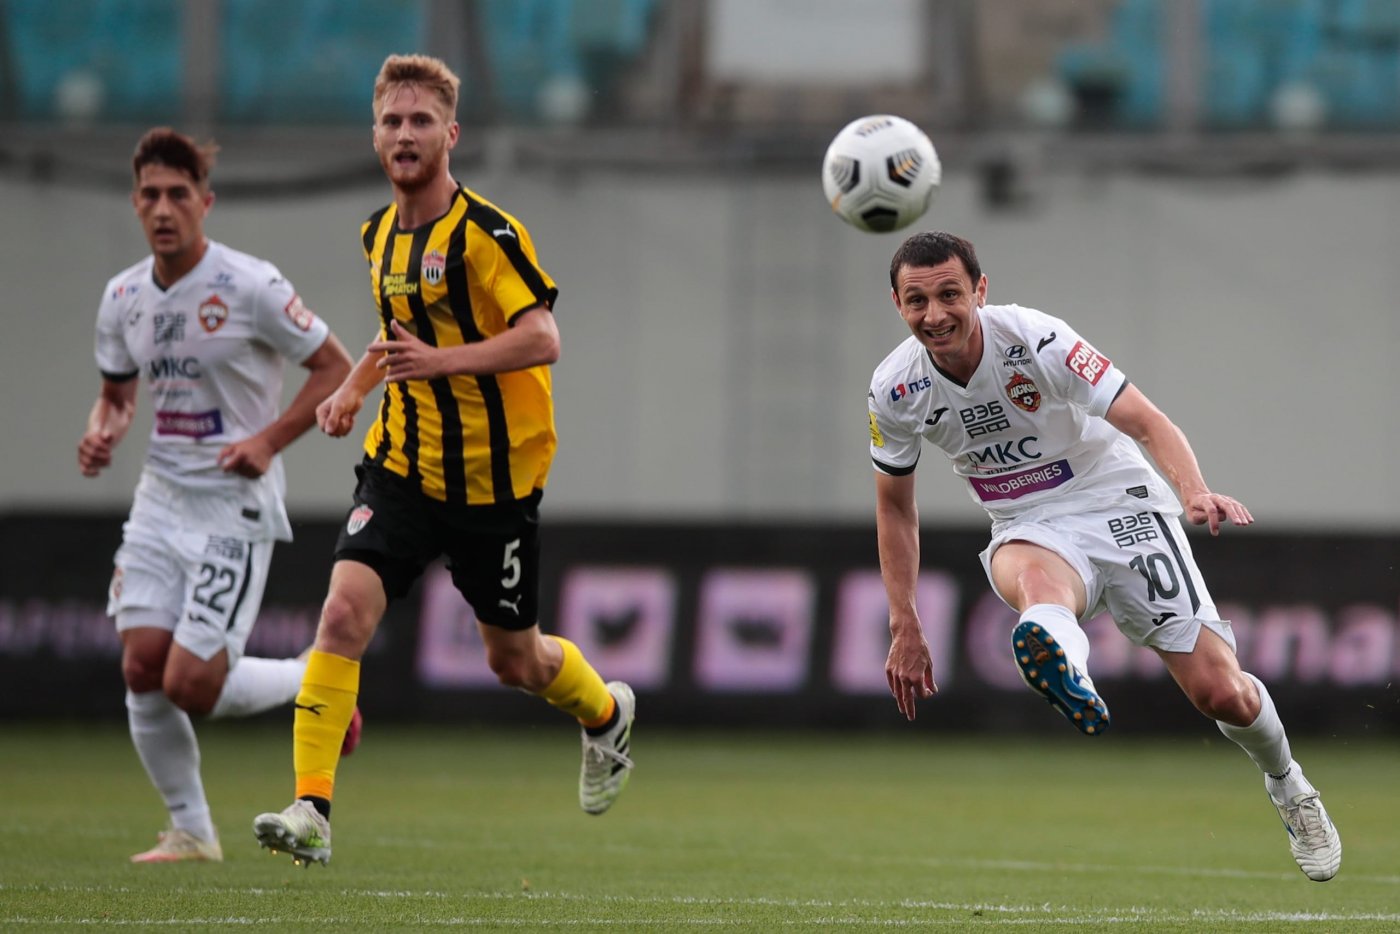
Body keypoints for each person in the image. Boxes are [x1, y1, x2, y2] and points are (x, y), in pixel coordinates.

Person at [252, 53, 635, 868]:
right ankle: (312, 810)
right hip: (401, 467)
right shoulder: (378, 234)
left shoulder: (487, 233)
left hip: (495, 485)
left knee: (515, 661)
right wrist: (353, 389)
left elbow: (543, 337)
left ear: (450, 135)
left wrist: (441, 363)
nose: (405, 134)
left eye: (421, 121)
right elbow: (398, 334)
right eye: (392, 121)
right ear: (375, 135)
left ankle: (605, 716)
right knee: (341, 616)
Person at [867, 231, 1341, 883]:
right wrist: (904, 622)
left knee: (1221, 693)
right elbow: (895, 507)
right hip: (1027, 521)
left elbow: (1145, 419)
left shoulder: (1038, 340)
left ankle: (1289, 785)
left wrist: (1193, 491)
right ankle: (1068, 664)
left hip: (1118, 502)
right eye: (917, 301)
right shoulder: (894, 389)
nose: (935, 314)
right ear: (897, 304)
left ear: (980, 290)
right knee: (1035, 583)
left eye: (950, 294)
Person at [79, 127, 357, 863]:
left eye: (178, 194)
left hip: (233, 505)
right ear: (135, 204)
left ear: (206, 202)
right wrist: (103, 430)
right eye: (150, 195)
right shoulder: (123, 297)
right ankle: (193, 831)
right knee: (141, 667)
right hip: (160, 499)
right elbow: (117, 395)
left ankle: (315, 679)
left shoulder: (250, 286)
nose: (163, 208)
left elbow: (336, 368)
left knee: (192, 684)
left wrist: (268, 440)